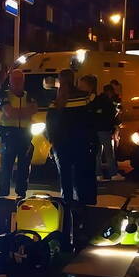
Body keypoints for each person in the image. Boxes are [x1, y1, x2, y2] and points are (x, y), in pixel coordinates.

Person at [49, 70, 98, 206]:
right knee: (80, 175)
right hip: (80, 143)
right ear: (73, 80)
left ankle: (67, 205)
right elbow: (90, 121)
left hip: (61, 145)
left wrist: (52, 142)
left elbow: (50, 125)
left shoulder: (56, 102)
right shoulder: (83, 98)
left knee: (65, 177)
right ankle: (82, 206)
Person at [0, 69, 38, 198]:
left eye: (20, 79)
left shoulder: (29, 95)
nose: (17, 82)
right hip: (8, 134)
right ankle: (3, 194)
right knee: (6, 166)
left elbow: (34, 109)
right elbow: (9, 112)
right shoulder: (4, 95)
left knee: (24, 167)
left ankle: (21, 193)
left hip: (25, 134)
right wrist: (25, 111)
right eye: (15, 80)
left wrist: (16, 112)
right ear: (10, 81)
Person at [90, 82, 122, 181]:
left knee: (98, 153)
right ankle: (113, 173)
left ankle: (98, 174)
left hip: (96, 130)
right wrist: (114, 127)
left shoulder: (96, 100)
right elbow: (111, 116)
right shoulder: (108, 102)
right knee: (109, 153)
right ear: (109, 92)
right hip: (105, 130)